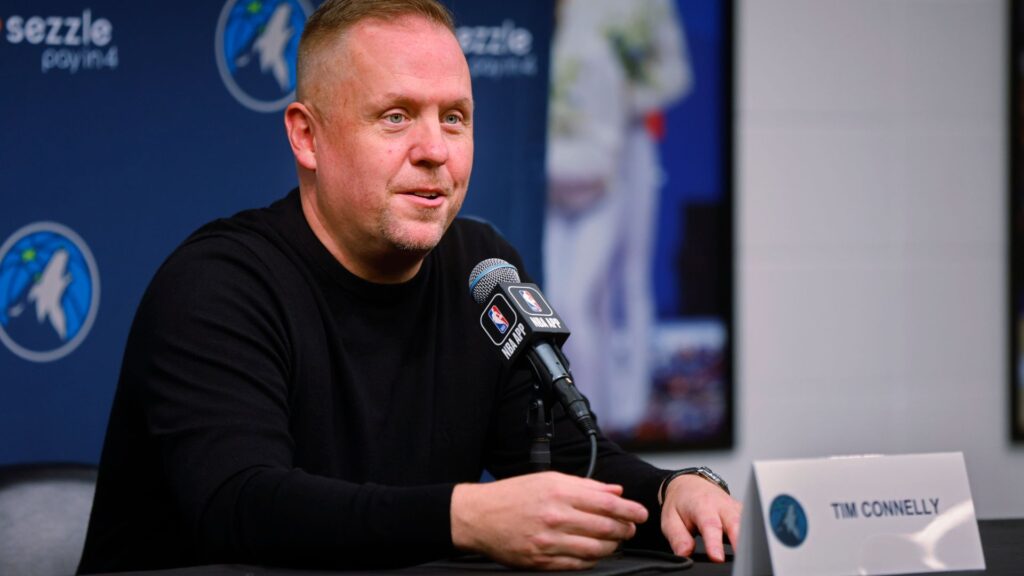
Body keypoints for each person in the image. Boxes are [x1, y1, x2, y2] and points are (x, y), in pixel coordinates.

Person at [77, 0, 740, 573]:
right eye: (396, 116)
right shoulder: (218, 286)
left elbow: (567, 460)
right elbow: (242, 507)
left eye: (455, 117)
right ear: (308, 137)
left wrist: (671, 492)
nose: (435, 150)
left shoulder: (484, 270)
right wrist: (464, 515)